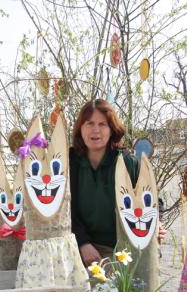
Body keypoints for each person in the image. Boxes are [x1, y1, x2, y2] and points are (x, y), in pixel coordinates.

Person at [69, 99, 166, 267]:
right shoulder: (70, 163)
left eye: (102, 124)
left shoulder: (127, 163)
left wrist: (156, 223)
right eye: (89, 123)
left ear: (112, 129)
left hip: (122, 248)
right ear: (80, 128)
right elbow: (65, 210)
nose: (95, 130)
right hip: (80, 246)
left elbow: (154, 201)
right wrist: (82, 243)